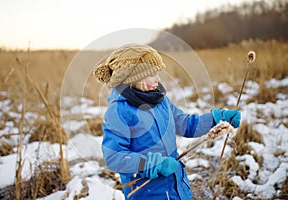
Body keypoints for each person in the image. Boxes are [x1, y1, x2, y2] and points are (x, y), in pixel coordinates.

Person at [93, 44, 240, 200]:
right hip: (148, 192)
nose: (158, 79)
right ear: (134, 77)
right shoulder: (119, 111)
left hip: (176, 186)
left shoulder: (159, 100)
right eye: (153, 74)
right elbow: (114, 157)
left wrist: (216, 118)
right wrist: (152, 164)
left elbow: (184, 124)